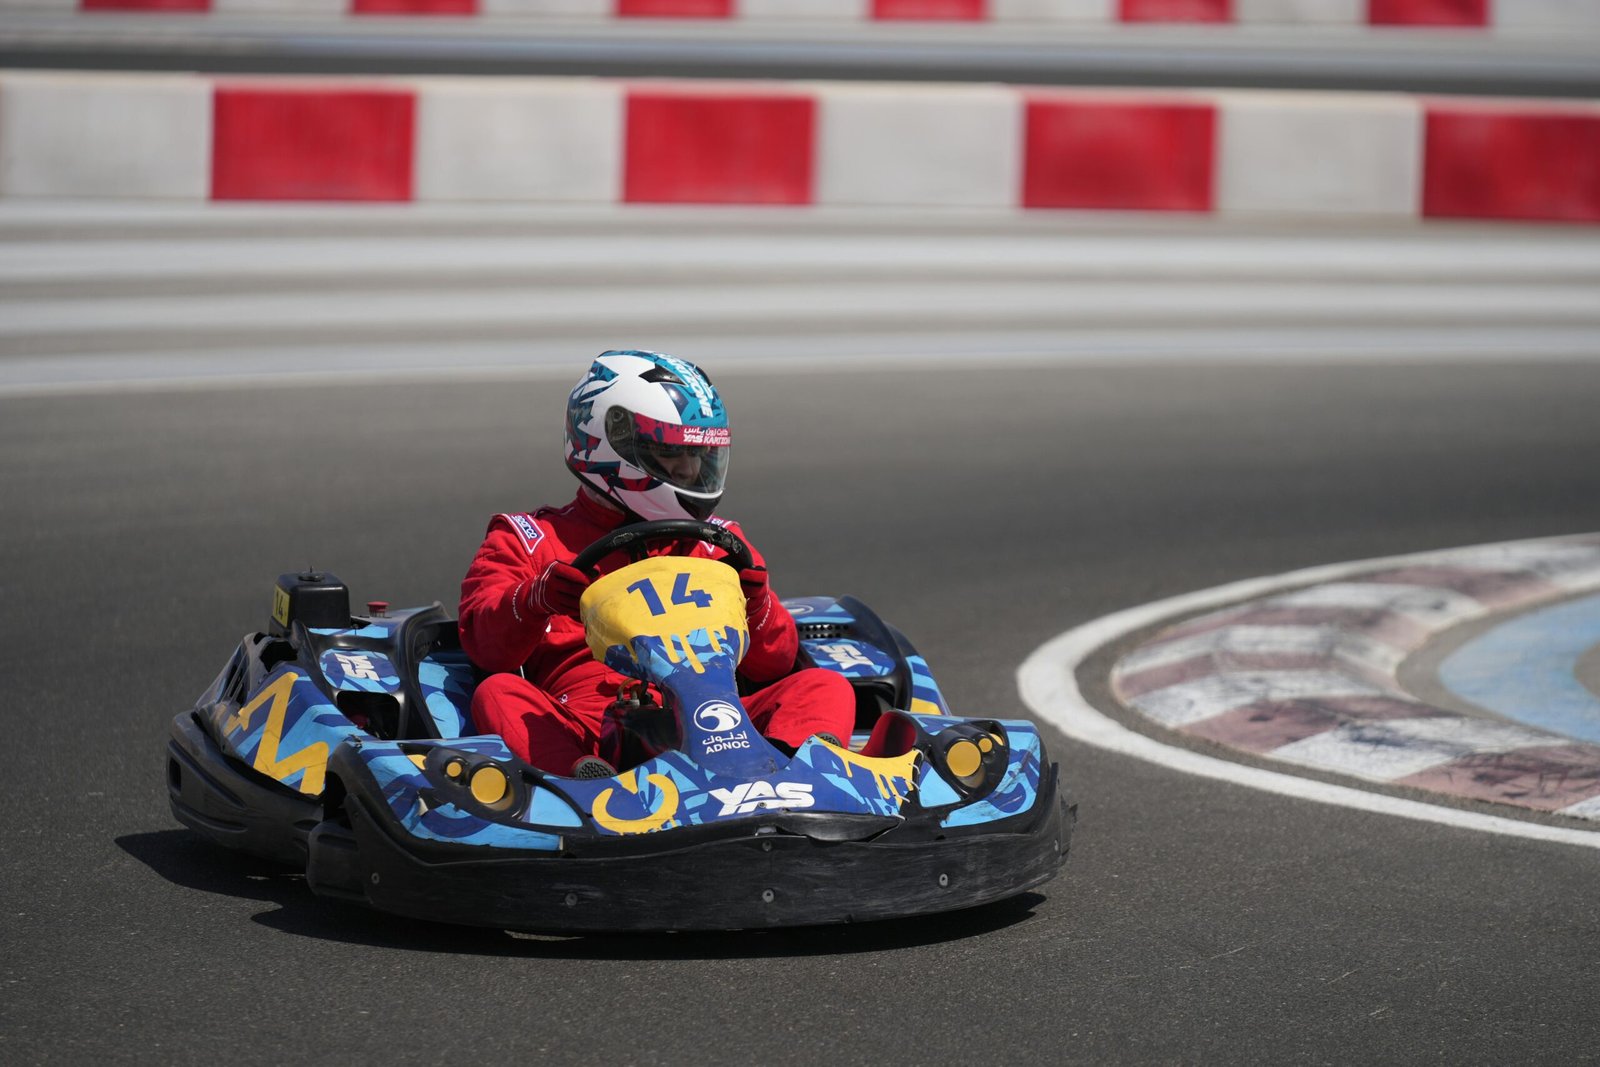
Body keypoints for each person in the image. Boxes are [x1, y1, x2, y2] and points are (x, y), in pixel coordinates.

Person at [459, 350, 857, 778]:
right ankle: (581, 784)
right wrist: (535, 599)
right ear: (615, 445)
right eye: (672, 453)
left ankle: (793, 769)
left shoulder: (719, 543)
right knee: (498, 693)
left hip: (717, 718)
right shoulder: (528, 538)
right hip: (586, 724)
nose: (690, 469)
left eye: (698, 456)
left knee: (825, 686)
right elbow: (484, 647)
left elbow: (775, 664)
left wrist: (757, 608)